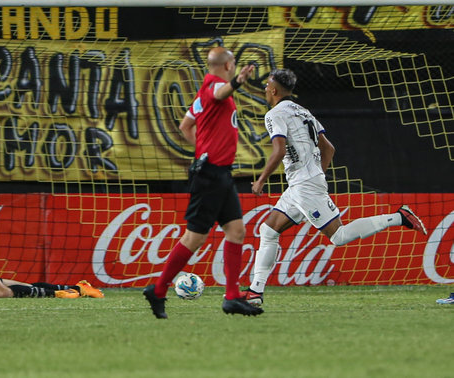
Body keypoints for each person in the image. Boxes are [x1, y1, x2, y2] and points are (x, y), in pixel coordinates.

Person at [243, 68, 427, 306]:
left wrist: (261, 180)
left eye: (268, 85)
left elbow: (278, 151)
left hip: (304, 185)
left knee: (338, 236)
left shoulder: (274, 114)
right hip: (303, 184)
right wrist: (316, 175)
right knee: (269, 230)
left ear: (274, 89)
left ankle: (399, 217)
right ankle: (255, 292)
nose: (266, 89)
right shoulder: (303, 112)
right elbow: (329, 148)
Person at [143, 47, 263, 318]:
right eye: (233, 64)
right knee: (195, 237)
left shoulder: (201, 94)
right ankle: (159, 289)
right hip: (210, 175)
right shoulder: (214, 86)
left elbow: (186, 125)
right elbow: (221, 94)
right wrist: (238, 83)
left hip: (220, 173)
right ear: (229, 65)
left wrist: (204, 148)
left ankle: (232, 297)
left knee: (236, 231)